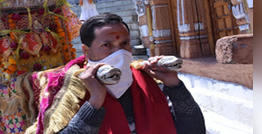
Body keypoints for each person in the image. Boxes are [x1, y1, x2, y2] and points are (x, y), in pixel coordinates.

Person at [55, 13, 206, 133]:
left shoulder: (149, 81)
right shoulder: (69, 89)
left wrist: (175, 86)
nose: (119, 52)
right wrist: (95, 101)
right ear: (87, 51)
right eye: (107, 45)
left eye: (124, 43)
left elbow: (195, 130)